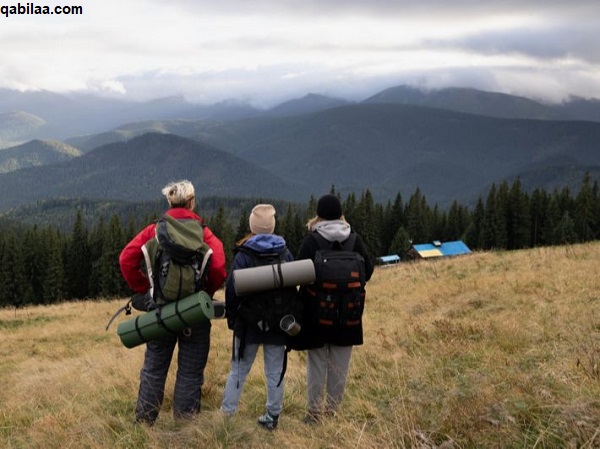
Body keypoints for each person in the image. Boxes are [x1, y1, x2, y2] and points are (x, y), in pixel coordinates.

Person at [119, 180, 227, 425]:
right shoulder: (204, 233)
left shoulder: (154, 231)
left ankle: (144, 424)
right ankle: (186, 427)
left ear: (169, 202)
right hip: (195, 315)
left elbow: (126, 258)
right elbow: (219, 266)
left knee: (154, 370)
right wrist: (205, 294)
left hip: (161, 313)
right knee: (190, 372)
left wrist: (145, 290)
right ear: (192, 202)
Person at [296, 194, 374, 424]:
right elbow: (367, 271)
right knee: (340, 365)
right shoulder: (354, 240)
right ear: (341, 214)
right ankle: (332, 413)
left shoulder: (313, 240)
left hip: (316, 314)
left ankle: (314, 413)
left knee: (317, 363)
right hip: (348, 313)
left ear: (318, 215)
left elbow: (299, 273)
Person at [221, 204, 295, 431]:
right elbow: (292, 289)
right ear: (272, 227)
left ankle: (227, 416)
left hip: (248, 325)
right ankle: (272, 416)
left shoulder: (244, 255)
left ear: (252, 226)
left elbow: (232, 291)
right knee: (274, 372)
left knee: (238, 370)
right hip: (276, 325)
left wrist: (232, 319)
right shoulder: (285, 252)